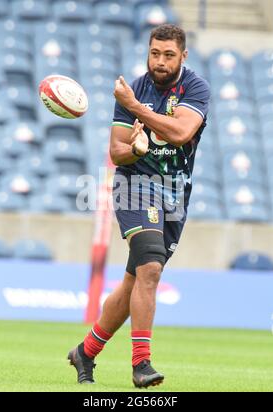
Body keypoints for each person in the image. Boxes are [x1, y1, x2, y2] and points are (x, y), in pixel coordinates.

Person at [68, 24, 210, 388]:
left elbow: (181, 133)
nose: (160, 62)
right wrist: (134, 148)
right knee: (150, 268)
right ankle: (141, 364)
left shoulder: (195, 88)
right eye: (154, 53)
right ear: (148, 51)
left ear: (183, 56)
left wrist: (135, 109)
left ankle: (86, 351)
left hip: (175, 193)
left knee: (134, 282)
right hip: (134, 187)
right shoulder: (133, 89)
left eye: (168, 55)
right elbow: (116, 151)